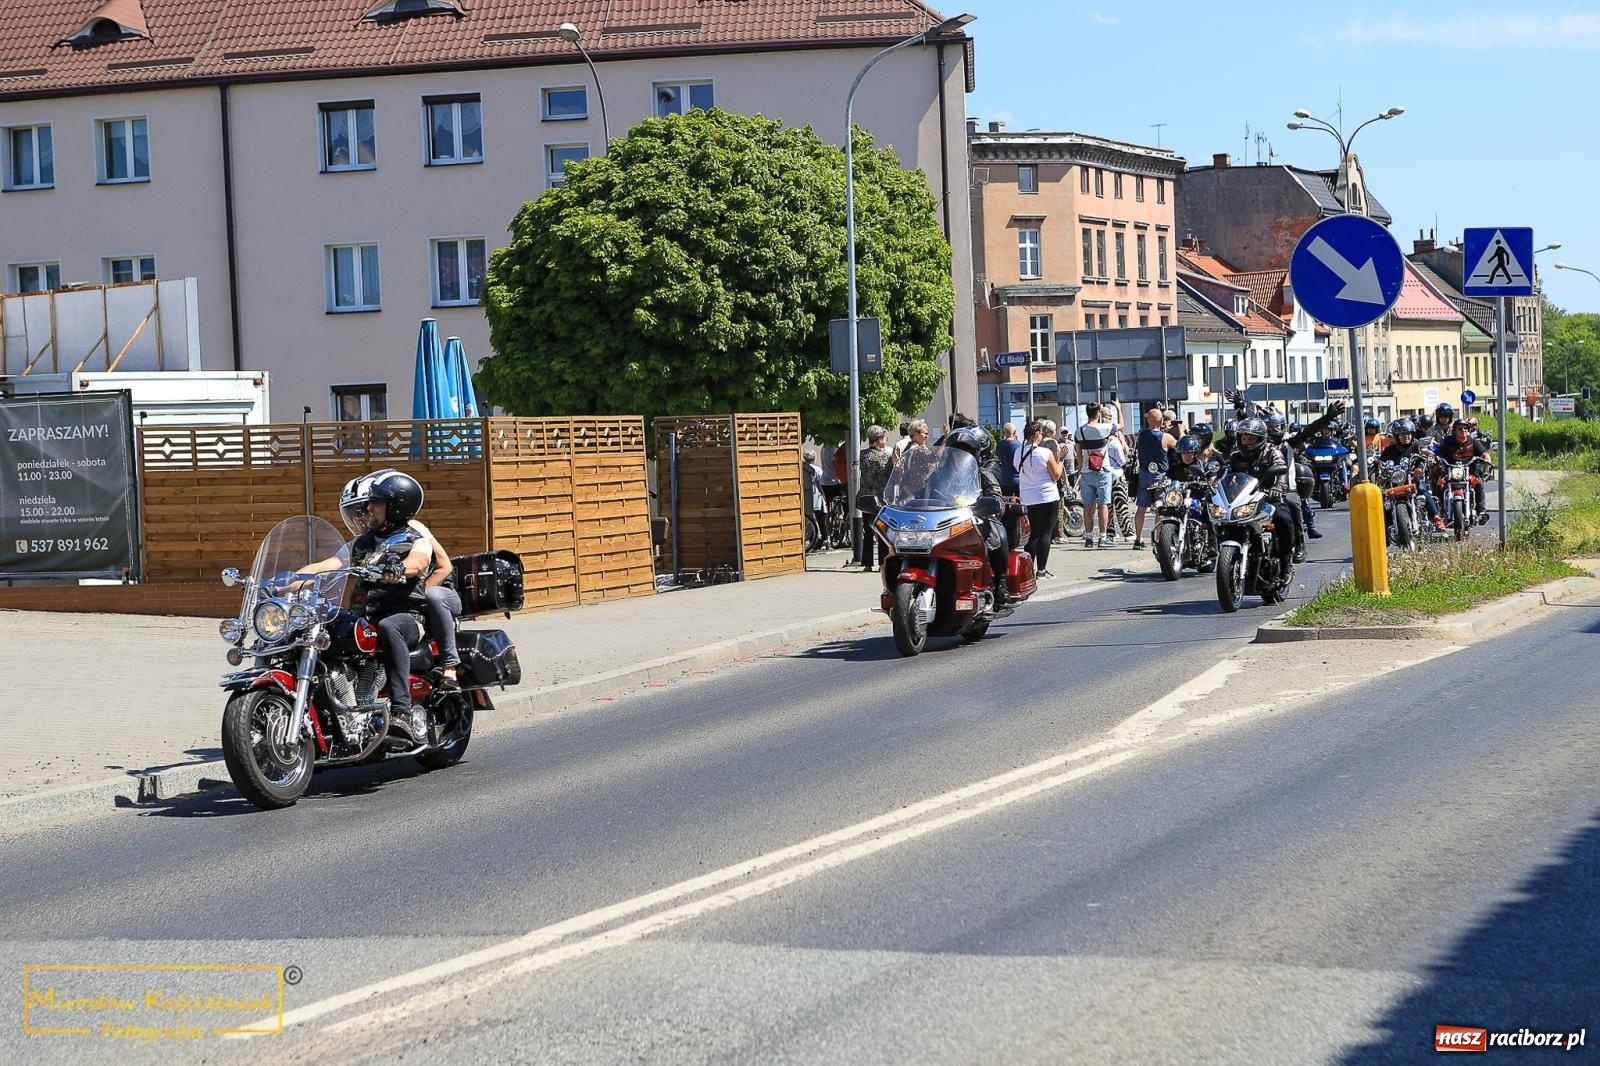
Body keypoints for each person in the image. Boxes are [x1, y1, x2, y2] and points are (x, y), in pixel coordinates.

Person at [323, 470, 436, 745]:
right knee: (325, 625)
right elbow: (329, 565)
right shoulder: (363, 543)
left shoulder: (414, 537)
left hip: (407, 616)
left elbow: (419, 562)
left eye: (375, 503)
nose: (368, 508)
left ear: (395, 505)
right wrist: (285, 581)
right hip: (366, 616)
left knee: (389, 627)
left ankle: (402, 713)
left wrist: (400, 568)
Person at [944, 424, 1013, 616]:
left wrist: (991, 505)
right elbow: (924, 493)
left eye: (964, 451)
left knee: (999, 536)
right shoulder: (941, 474)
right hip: (946, 522)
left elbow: (997, 498)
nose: (959, 455)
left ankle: (1001, 583)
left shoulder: (983, 474)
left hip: (976, 519)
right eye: (956, 451)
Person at [1225, 417, 1299, 580]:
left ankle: (1286, 563)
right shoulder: (1236, 456)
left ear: (1260, 439)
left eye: (1251, 439)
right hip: (1243, 500)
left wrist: (1278, 488)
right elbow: (1225, 473)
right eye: (1244, 438)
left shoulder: (1272, 451)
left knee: (1284, 518)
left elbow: (1282, 470)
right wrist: (1215, 484)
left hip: (1268, 498)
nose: (1247, 442)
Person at [1014, 419, 1064, 577]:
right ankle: (1041, 570)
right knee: (1045, 534)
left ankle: (1029, 569)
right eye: (1040, 433)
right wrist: (1061, 458)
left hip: (1027, 497)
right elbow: (1056, 475)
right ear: (1036, 434)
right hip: (1046, 497)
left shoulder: (1018, 452)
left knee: (1032, 534)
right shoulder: (1045, 453)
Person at [1379, 418, 1444, 530]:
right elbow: (1380, 461)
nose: (1406, 437)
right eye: (1403, 434)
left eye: (1409, 434)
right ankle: (1385, 529)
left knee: (1423, 491)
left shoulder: (1415, 445)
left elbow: (1423, 450)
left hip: (1412, 477)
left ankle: (1436, 518)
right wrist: (1374, 465)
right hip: (1395, 479)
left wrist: (1429, 454)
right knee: (1385, 500)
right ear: (1396, 436)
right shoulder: (1389, 450)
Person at [1131, 405, 1177, 550]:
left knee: (1141, 508)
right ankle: (1158, 539)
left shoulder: (1141, 435)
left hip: (1144, 474)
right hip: (1160, 476)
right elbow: (1179, 446)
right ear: (1161, 420)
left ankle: (1138, 539)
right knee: (1160, 507)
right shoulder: (1165, 437)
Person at [1434, 418, 1491, 523]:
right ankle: (1440, 511)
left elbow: (1484, 452)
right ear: (1455, 431)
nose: (1463, 431)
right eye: (1460, 429)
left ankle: (1481, 511)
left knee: (1479, 483)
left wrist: (1487, 458)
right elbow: (1439, 454)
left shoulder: (1473, 442)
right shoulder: (1449, 443)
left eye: (1466, 429)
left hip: (1469, 472)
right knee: (1439, 485)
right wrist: (1434, 459)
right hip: (1451, 472)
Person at [1075, 402, 1116, 548]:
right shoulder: (1104, 428)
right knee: (1103, 505)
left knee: (1088, 506)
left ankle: (1088, 536)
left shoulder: (1079, 432)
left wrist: (1080, 467)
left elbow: (1078, 454)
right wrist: (1117, 407)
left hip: (1086, 472)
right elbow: (1120, 425)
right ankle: (1103, 537)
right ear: (1098, 413)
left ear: (1087, 413)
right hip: (1103, 471)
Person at [857, 424, 894, 571]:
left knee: (868, 531)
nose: (885, 440)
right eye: (884, 438)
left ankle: (867, 563)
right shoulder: (885, 457)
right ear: (879, 439)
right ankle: (882, 563)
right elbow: (890, 475)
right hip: (880, 499)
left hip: (865, 496)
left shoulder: (861, 455)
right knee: (881, 531)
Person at [802, 450, 826, 551]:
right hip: (816, 495)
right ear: (814, 458)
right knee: (821, 519)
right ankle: (825, 538)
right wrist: (823, 495)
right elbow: (820, 484)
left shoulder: (803, 469)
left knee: (809, 518)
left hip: (806, 496)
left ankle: (812, 538)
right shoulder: (818, 470)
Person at [996, 422, 1021, 498]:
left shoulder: (1000, 445)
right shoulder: (1018, 445)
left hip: (1004, 480)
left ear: (1003, 432)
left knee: (1006, 503)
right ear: (1015, 432)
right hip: (1018, 480)